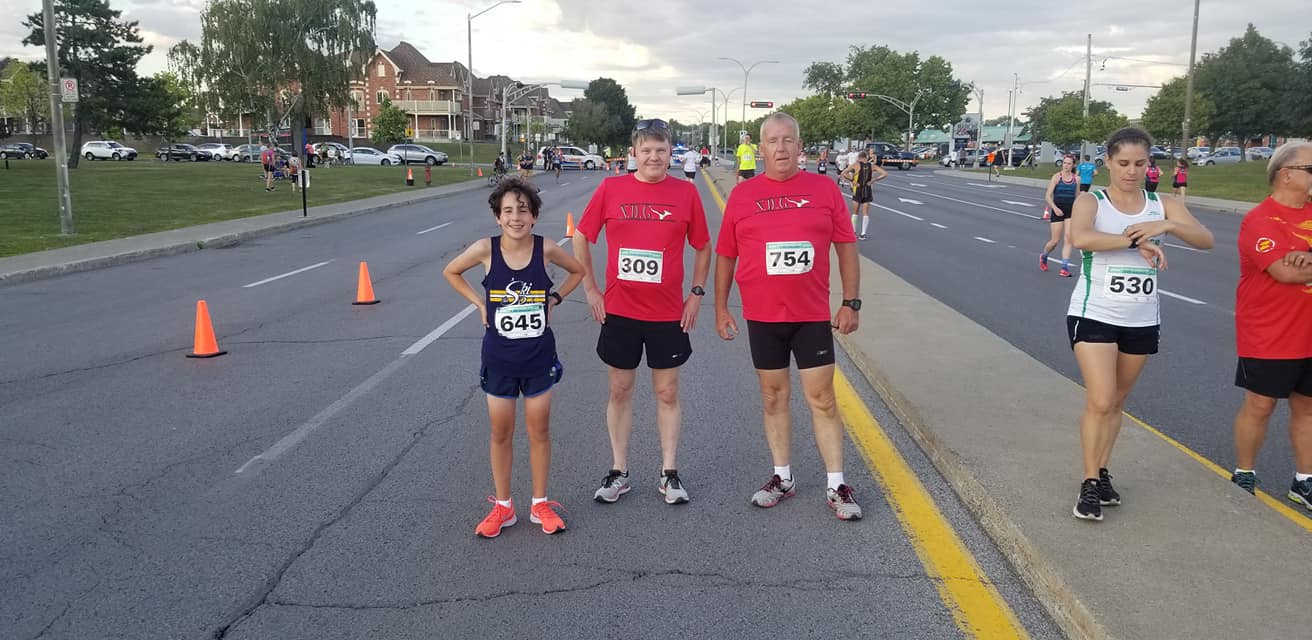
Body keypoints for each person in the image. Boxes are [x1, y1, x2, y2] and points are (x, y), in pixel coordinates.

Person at [714, 112, 865, 521]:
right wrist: (721, 306)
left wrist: (851, 302)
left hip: (811, 314)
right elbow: (726, 253)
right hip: (763, 317)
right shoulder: (744, 196)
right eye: (773, 142)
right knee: (773, 397)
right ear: (760, 149)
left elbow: (846, 247)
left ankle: (837, 484)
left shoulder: (823, 190)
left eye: (788, 141)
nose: (780, 148)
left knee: (822, 398)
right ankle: (783, 477)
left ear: (801, 147)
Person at [1065, 127, 1214, 522]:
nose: (1132, 171)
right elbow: (1081, 237)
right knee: (1100, 398)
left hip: (1142, 316)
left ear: (1151, 166)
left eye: (1141, 163)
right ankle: (1089, 482)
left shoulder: (1159, 204)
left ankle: (1103, 469)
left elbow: (1205, 239)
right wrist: (1135, 241)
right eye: (1124, 163)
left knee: (1116, 402)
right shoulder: (1092, 200)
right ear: (1109, 163)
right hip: (1094, 310)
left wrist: (1167, 226)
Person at [573, 118, 712, 506]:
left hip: (668, 313)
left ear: (671, 154)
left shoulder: (685, 194)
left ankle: (669, 473)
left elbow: (703, 245)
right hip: (620, 310)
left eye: (661, 150)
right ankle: (619, 471)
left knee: (667, 392)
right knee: (620, 390)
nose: (653, 156)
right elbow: (582, 235)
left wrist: (696, 294)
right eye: (646, 150)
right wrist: (590, 288)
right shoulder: (611, 188)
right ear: (634, 153)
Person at [443, 178, 584, 538]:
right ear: (497, 217)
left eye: (523, 210)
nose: (516, 217)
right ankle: (503, 507)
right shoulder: (485, 250)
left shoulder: (546, 248)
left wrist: (555, 299)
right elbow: (451, 271)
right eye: (508, 211)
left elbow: (578, 271)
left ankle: (540, 503)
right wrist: (479, 303)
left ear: (534, 216)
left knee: (539, 430)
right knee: (500, 432)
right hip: (500, 358)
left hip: (538, 357)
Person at [1229, 141, 1312, 509]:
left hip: (1308, 332)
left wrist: (1306, 258)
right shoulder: (1260, 219)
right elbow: (1283, 273)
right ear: (1286, 173)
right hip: (1269, 333)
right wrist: (1296, 263)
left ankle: (1304, 480)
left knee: (1307, 408)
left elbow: (1299, 269)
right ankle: (1244, 473)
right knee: (1261, 406)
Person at [1041, 154, 1081, 277]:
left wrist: (1079, 208)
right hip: (1058, 209)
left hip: (1070, 211)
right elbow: (1048, 195)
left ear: (1073, 165)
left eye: (1069, 163)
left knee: (1069, 238)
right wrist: (1055, 208)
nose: (1066, 166)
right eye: (1064, 163)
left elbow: (1077, 195)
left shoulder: (1076, 179)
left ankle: (1064, 267)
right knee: (1055, 241)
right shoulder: (1056, 177)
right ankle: (1044, 255)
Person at [839, 150, 888, 240]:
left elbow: (843, 173)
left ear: (859, 157)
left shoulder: (856, 165)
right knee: (865, 212)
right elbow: (885, 174)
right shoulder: (872, 166)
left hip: (858, 189)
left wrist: (852, 181)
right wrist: (874, 180)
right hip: (867, 189)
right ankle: (863, 233)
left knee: (855, 211)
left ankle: (853, 232)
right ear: (866, 157)